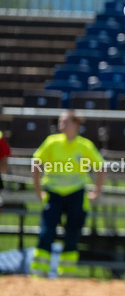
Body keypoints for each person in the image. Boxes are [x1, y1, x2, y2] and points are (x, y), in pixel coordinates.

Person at [30, 110, 105, 278]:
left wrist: (96, 191)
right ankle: (39, 273)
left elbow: (101, 166)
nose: (60, 125)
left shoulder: (84, 145)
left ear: (75, 124)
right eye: (60, 121)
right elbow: (36, 163)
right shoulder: (52, 142)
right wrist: (38, 190)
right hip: (53, 194)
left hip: (76, 194)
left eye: (64, 121)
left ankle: (67, 275)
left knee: (73, 233)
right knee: (46, 232)